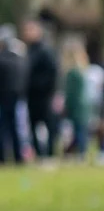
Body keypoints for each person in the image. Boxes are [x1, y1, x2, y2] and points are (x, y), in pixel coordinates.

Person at [23, 17, 57, 159]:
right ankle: (38, 152)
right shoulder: (29, 50)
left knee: (48, 124)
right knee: (33, 125)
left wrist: (47, 90)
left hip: (43, 95)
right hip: (31, 95)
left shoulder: (45, 51)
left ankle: (49, 152)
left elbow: (52, 72)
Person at [60, 38, 91, 158]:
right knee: (81, 130)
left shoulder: (72, 72)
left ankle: (81, 154)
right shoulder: (82, 70)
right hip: (84, 105)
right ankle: (81, 152)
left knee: (79, 131)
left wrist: (67, 106)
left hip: (77, 105)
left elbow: (71, 93)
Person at [0, 25, 23, 165]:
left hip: (3, 98)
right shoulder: (19, 60)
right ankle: (18, 157)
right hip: (16, 98)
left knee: (3, 129)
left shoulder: (2, 60)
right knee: (15, 128)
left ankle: (2, 157)